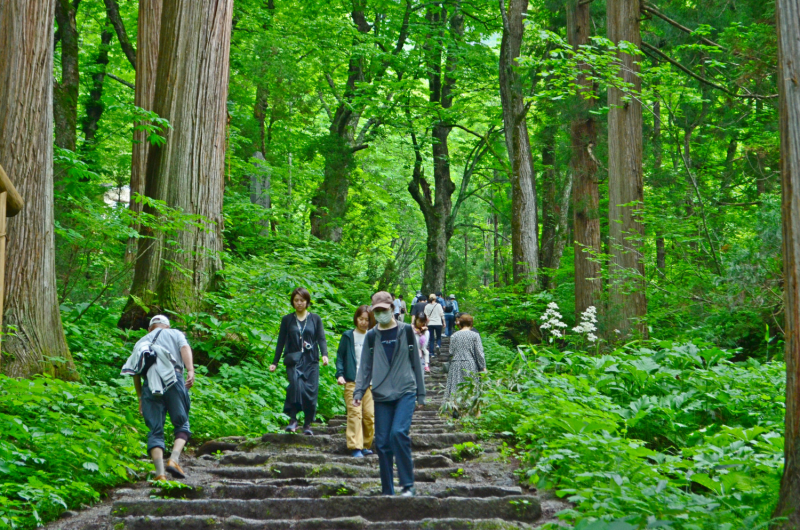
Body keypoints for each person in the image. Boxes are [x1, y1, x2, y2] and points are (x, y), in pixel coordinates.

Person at [353, 291, 426, 496]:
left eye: (384, 310)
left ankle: (408, 485)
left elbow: (416, 364)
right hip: (381, 394)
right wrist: (359, 391)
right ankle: (387, 489)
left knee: (398, 433)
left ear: (392, 309)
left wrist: (421, 394)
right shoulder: (371, 336)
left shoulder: (406, 331)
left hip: (405, 390)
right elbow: (365, 367)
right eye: (377, 311)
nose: (381, 314)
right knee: (383, 442)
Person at [124, 315, 194, 481]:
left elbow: (135, 371)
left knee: (155, 430)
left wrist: (140, 398)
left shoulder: (140, 342)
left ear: (150, 329)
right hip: (173, 378)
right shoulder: (175, 333)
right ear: (167, 327)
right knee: (182, 423)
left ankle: (160, 473)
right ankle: (174, 459)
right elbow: (184, 348)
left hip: (150, 383)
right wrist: (190, 369)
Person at [270, 287, 329, 435]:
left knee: (310, 392)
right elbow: (281, 341)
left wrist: (324, 354)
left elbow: (321, 338)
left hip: (311, 360)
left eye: (302, 300)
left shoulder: (315, 319)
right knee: (295, 386)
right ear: (292, 302)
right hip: (294, 359)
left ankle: (307, 424)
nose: (299, 303)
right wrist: (275, 362)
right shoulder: (287, 320)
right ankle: (293, 419)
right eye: (296, 300)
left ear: (307, 301)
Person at [335, 306, 375, 458]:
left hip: (370, 384)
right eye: (361, 319)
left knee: (369, 416)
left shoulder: (373, 336)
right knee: (354, 414)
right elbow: (340, 356)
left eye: (367, 320)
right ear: (356, 319)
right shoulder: (348, 336)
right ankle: (355, 446)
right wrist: (340, 374)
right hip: (352, 382)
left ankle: (365, 444)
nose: (363, 322)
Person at [443, 313, 486, 407]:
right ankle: (468, 406)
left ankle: (455, 406)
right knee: (469, 385)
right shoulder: (474, 335)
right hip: (470, 363)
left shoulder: (454, 335)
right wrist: (483, 367)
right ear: (471, 323)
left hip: (456, 363)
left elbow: (451, 351)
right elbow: (479, 353)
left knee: (456, 385)